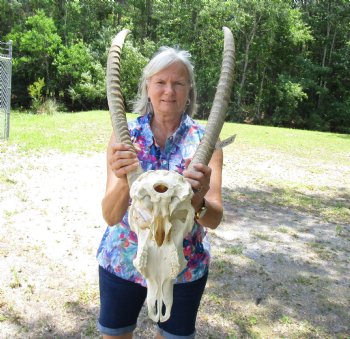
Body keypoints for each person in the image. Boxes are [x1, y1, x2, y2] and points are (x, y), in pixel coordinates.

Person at [97, 46, 224, 339]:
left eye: (178, 83)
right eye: (160, 82)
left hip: (183, 265)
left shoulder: (206, 143)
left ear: (189, 89)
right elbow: (111, 215)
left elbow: (214, 218)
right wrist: (121, 178)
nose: (169, 90)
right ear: (148, 87)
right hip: (124, 259)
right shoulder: (124, 137)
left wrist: (198, 199)